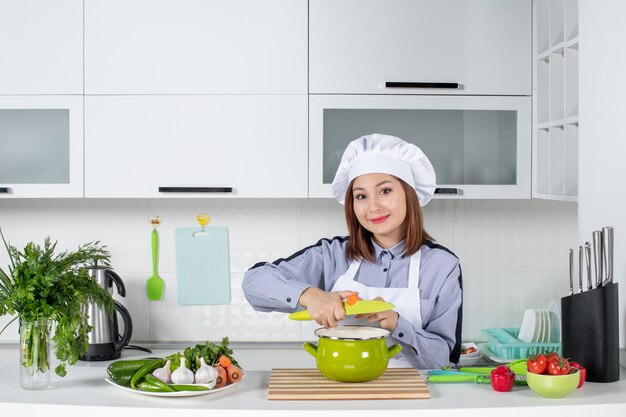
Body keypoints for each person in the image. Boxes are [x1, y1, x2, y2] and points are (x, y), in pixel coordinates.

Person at [242, 134, 462, 369]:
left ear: (409, 195)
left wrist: (399, 325)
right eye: (361, 196)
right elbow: (254, 282)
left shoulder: (442, 266)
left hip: (414, 392)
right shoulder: (332, 254)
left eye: (385, 191)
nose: (373, 206)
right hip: (341, 383)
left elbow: (445, 359)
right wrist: (310, 295)